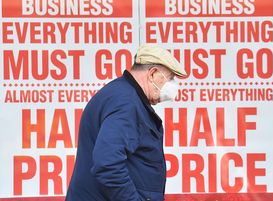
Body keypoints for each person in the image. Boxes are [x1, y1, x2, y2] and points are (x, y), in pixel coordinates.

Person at [66, 44, 187, 201]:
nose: (172, 86)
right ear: (152, 74)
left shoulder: (120, 93)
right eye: (170, 78)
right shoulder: (127, 103)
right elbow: (107, 165)